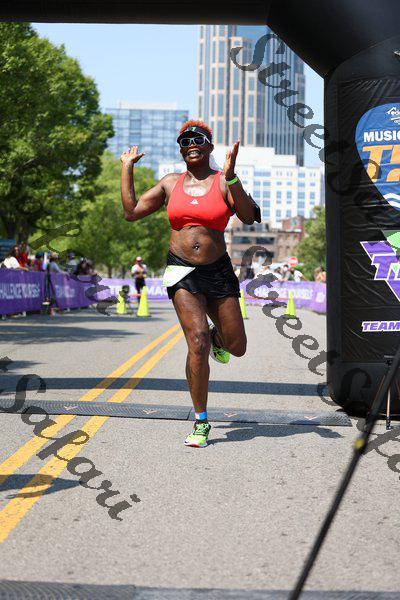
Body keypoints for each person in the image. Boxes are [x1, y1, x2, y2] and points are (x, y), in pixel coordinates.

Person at [120, 120, 259, 447]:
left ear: (209, 146)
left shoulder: (223, 181)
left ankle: (218, 338)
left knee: (237, 346)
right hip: (181, 271)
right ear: (181, 150)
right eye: (184, 141)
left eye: (197, 139)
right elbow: (132, 211)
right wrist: (127, 168)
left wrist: (232, 177)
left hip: (218, 271)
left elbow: (248, 216)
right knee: (197, 341)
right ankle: (201, 421)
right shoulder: (170, 183)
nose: (190, 143)